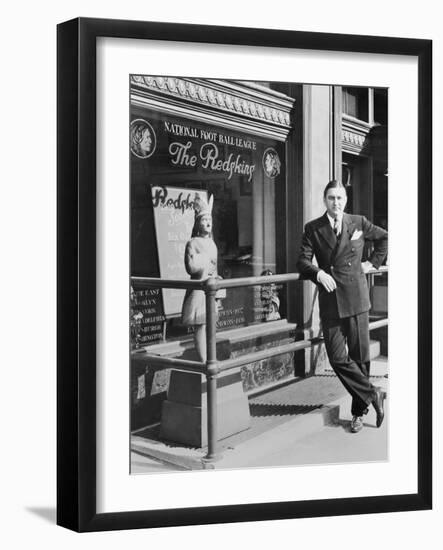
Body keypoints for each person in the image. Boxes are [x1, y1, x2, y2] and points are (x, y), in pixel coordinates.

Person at [296, 180, 388, 433]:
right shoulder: (313, 228)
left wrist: (372, 264)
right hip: (332, 299)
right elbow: (302, 261)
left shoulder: (358, 222)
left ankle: (358, 413)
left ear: (345, 200)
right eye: (331, 198)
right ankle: (374, 394)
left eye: (339, 198)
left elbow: (384, 239)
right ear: (324, 200)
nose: (336, 203)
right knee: (337, 357)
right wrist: (318, 274)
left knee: (360, 358)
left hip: (357, 299)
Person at [181, 193, 224, 362]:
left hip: (211, 290)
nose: (208, 223)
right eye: (204, 220)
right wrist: (204, 261)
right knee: (201, 324)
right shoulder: (193, 243)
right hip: (199, 290)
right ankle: (204, 359)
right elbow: (190, 266)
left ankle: (211, 356)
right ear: (198, 223)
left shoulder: (212, 243)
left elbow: (215, 267)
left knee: (211, 325)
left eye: (210, 221)